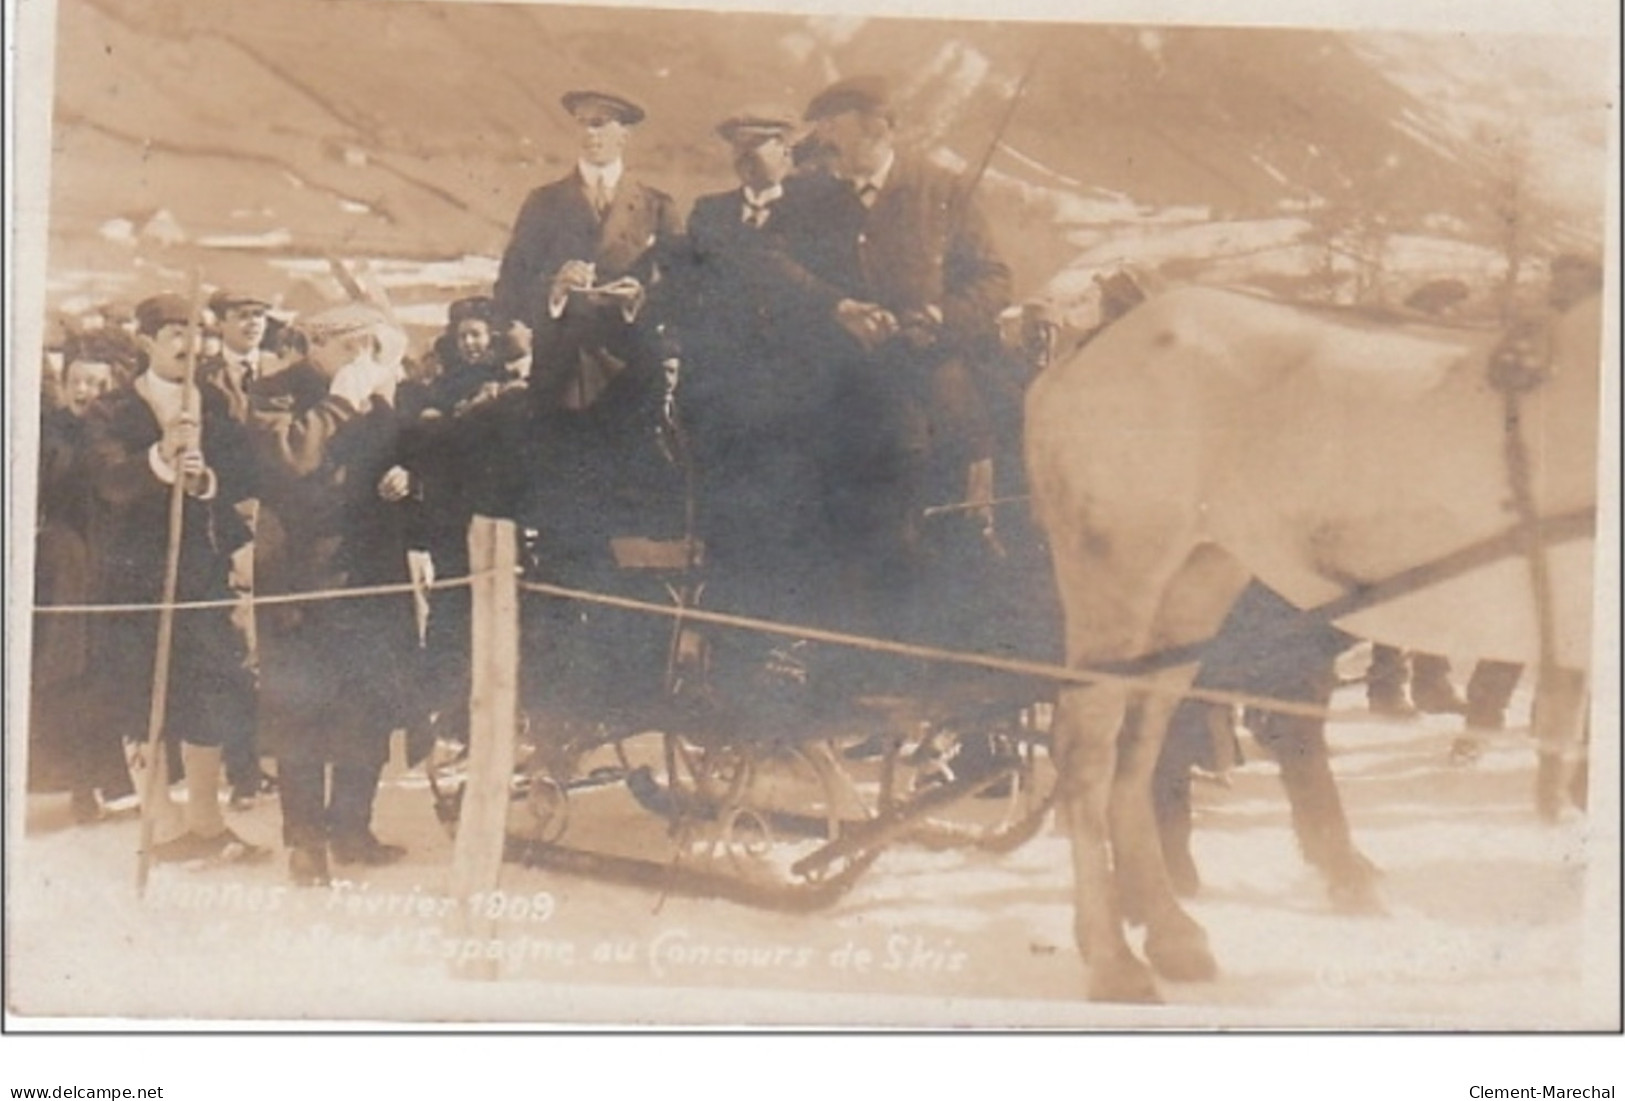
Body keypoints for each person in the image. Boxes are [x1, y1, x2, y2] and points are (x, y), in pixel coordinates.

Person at [793, 74, 1012, 667]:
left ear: (879, 129)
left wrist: (940, 317)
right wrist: (836, 308)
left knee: (937, 530)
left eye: (834, 132)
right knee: (853, 535)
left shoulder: (943, 190)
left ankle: (941, 663)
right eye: (821, 134)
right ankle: (864, 667)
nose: (825, 146)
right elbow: (778, 268)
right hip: (846, 402)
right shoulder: (811, 199)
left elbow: (994, 280)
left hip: (933, 397)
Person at [79, 293, 266, 863]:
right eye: (177, 336)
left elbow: (243, 474)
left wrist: (205, 481)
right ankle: (160, 826)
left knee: (210, 686)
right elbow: (108, 481)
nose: (193, 346)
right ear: (147, 342)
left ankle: (207, 823)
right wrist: (159, 458)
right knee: (142, 692)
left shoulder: (214, 402)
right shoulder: (113, 408)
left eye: (202, 335)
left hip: (200, 571)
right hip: (133, 575)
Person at [249, 303, 418, 886]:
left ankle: (351, 829)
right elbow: (289, 458)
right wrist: (340, 401)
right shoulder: (275, 391)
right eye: (355, 347)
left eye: (372, 349)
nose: (365, 360)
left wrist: (405, 478)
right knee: (301, 716)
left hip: (369, 574)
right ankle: (305, 843)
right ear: (319, 343)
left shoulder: (375, 390)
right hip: (300, 581)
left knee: (366, 708)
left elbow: (401, 453)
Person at [29, 337, 138, 823]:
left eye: (97, 384)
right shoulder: (50, 433)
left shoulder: (112, 435)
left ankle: (106, 785)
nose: (85, 392)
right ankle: (79, 786)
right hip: (65, 568)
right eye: (77, 382)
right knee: (69, 674)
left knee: (103, 676)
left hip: (107, 567)